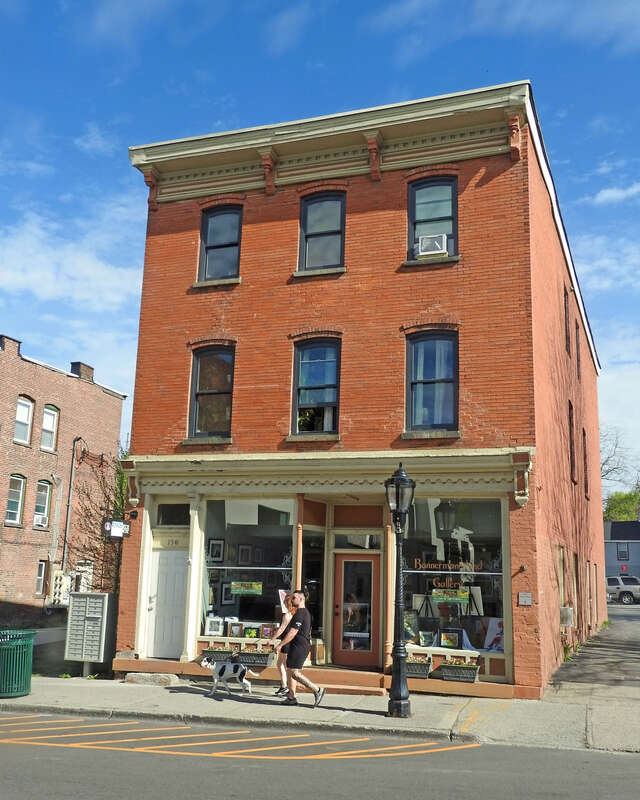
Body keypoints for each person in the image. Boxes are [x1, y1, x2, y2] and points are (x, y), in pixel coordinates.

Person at [275, 589, 325, 707]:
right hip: (298, 645)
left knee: (294, 672)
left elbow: (292, 632)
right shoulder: (304, 612)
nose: (292, 600)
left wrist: (280, 645)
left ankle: (317, 690)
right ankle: (291, 698)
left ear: (301, 599)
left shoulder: (300, 613)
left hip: (300, 646)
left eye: (294, 598)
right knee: (290, 671)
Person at [269, 593, 294, 697]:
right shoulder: (294, 614)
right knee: (280, 664)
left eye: (284, 602)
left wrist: (272, 639)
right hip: (287, 641)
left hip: (286, 642)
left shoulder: (287, 615)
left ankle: (286, 687)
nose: (283, 604)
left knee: (285, 665)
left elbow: (282, 628)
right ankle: (284, 685)